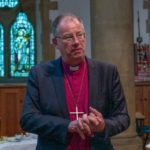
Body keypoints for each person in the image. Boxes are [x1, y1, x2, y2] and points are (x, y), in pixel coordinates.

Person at [20, 12, 130, 150]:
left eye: (80, 35)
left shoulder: (107, 72)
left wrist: (103, 126)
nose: (76, 42)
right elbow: (28, 119)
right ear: (56, 42)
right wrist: (67, 125)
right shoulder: (40, 74)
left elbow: (123, 117)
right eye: (68, 37)